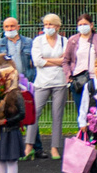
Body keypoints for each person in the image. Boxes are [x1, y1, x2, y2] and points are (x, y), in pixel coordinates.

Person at [30, 15, 69, 163]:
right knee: (35, 113)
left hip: (60, 81)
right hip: (41, 82)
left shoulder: (64, 41)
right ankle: (29, 146)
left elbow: (65, 61)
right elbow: (37, 61)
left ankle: (55, 147)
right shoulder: (38, 41)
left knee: (57, 116)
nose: (48, 27)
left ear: (57, 26)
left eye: (51, 24)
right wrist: (57, 61)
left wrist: (48, 61)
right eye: (45, 24)